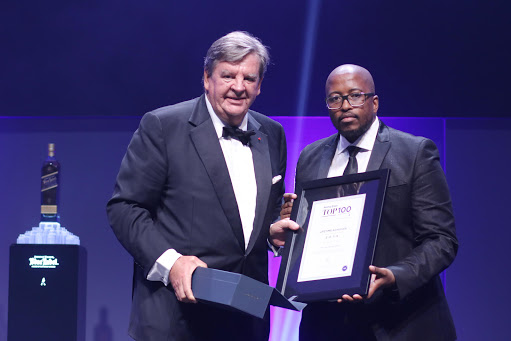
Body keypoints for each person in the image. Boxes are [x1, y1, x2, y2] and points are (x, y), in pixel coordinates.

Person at [107, 31, 296, 341]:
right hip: (177, 317)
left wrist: (271, 231)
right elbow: (125, 208)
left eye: (249, 78)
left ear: (260, 86)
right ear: (207, 78)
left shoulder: (272, 135)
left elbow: (257, 214)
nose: (238, 86)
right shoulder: (163, 126)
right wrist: (172, 263)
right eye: (228, 75)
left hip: (245, 320)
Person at [280, 64, 458, 341]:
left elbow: (441, 240)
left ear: (374, 103)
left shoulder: (415, 152)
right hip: (327, 325)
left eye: (355, 96)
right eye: (334, 98)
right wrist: (291, 232)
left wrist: (396, 275)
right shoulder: (310, 157)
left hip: (401, 321)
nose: (345, 105)